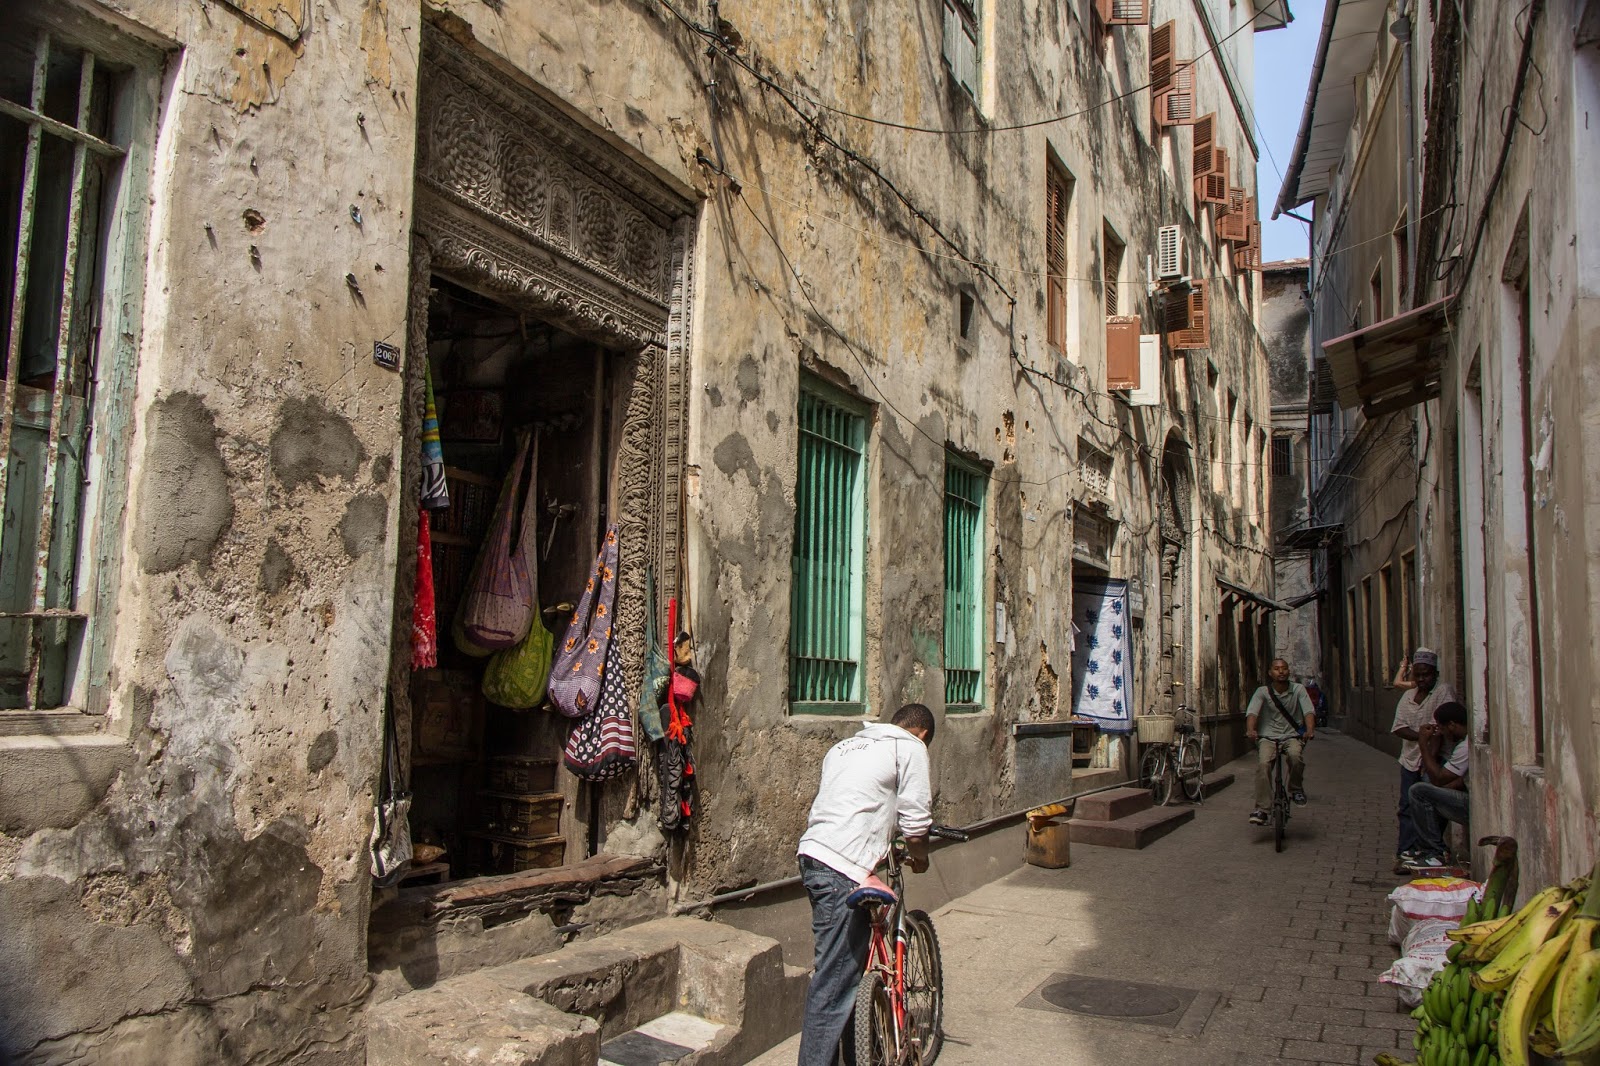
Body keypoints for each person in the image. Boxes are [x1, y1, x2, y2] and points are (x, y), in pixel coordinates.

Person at [796, 703, 934, 1066]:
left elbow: (855, 806)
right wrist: (920, 856)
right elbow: (916, 821)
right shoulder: (910, 746)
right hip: (843, 868)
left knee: (845, 974)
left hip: (812, 857)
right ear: (921, 733)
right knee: (832, 984)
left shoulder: (843, 747)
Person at [1391, 648, 1459, 874]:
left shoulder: (1443, 692)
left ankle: (1430, 851)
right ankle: (1406, 852)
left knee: (1429, 806)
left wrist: (1427, 746)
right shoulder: (1408, 697)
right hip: (1410, 759)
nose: (1421, 679)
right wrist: (1420, 737)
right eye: (1417, 675)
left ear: (1435, 673)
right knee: (1406, 806)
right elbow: (1399, 727)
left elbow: (1439, 729)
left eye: (1426, 675)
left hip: (1435, 759)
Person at [1244, 658, 1317, 825]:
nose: (1281, 671)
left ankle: (1296, 789)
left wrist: (1309, 730)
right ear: (1270, 673)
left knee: (1295, 757)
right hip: (1267, 738)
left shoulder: (1298, 689)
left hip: (1291, 736)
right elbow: (1252, 713)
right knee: (1263, 766)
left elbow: (1308, 712)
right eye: (1277, 669)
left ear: (1288, 671)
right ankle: (1262, 809)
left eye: (1284, 668)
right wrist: (1251, 730)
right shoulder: (1262, 691)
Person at [1405, 701, 1470, 871]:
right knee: (1429, 789)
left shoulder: (1465, 747)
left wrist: (1423, 744)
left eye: (1442, 728)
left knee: (1418, 791)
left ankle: (1434, 852)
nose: (1441, 733)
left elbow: (1439, 778)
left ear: (1452, 725)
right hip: (1467, 799)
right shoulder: (1464, 743)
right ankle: (1428, 850)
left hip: (1470, 806)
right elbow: (1457, 781)